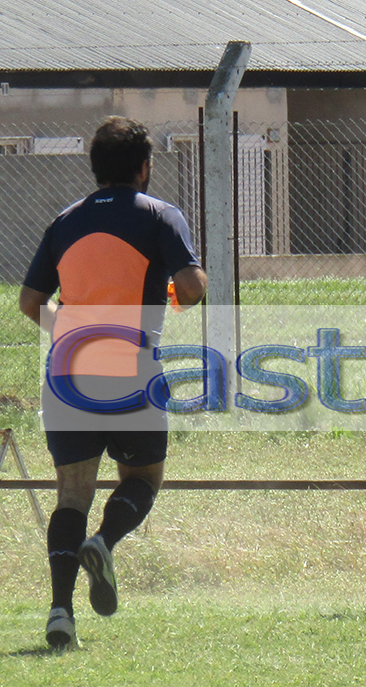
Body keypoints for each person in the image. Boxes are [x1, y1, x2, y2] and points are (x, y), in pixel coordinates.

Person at [20, 116, 207, 649]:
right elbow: (192, 288)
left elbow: (30, 302)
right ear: (144, 167)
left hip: (67, 370)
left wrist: (73, 330)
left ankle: (60, 613)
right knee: (144, 477)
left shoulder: (65, 221)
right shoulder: (160, 215)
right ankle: (103, 542)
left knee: (71, 495)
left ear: (95, 167)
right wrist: (181, 285)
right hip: (132, 369)